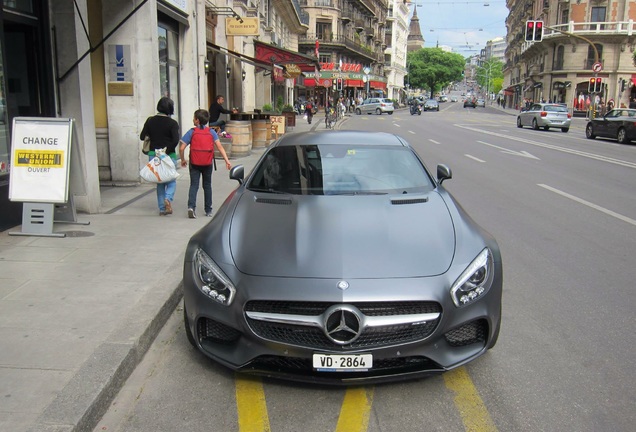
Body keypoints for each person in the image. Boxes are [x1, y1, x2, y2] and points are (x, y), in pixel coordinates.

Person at [179, 109, 231, 219]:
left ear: (197, 120)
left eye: (194, 118)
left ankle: (191, 207)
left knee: (194, 185)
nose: (193, 119)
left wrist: (183, 159)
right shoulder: (211, 132)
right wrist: (227, 161)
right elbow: (220, 147)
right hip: (207, 163)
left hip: (194, 163)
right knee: (207, 186)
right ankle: (208, 210)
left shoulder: (191, 132)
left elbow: (182, 148)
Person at [139, 97, 180, 216]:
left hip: (153, 156)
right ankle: (168, 198)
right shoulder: (172, 123)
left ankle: (162, 208)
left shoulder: (150, 120)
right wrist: (167, 150)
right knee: (171, 179)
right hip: (168, 155)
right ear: (170, 109)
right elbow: (175, 140)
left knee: (160, 181)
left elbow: (142, 136)